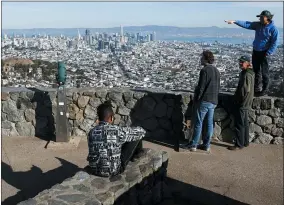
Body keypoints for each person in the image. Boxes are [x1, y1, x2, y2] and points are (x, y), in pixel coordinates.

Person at [225, 10, 279, 96]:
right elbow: (247, 24)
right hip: (256, 51)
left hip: (264, 52)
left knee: (265, 72)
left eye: (262, 17)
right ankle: (256, 89)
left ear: (267, 18)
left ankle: (265, 89)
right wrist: (235, 21)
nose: (260, 18)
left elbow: (275, 42)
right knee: (256, 70)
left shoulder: (273, 29)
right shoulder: (258, 25)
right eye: (260, 17)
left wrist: (269, 52)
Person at [86, 101, 146, 177]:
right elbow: (141, 132)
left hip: (95, 170)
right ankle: (137, 155)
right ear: (111, 117)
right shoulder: (117, 130)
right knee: (136, 135)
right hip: (114, 171)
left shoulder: (91, 132)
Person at [182, 50, 220, 152]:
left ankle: (194, 144)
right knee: (209, 124)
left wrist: (197, 99)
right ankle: (207, 145)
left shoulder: (205, 70)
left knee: (199, 123)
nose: (200, 59)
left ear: (205, 59)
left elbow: (201, 87)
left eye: (201, 57)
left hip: (205, 100)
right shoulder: (216, 70)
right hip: (214, 101)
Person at [228, 55, 255, 151]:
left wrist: (238, 99)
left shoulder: (246, 74)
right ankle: (245, 142)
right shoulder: (251, 73)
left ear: (248, 63)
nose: (240, 64)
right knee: (245, 123)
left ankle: (239, 144)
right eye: (240, 62)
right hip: (247, 102)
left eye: (242, 62)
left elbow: (245, 89)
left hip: (243, 102)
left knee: (239, 124)